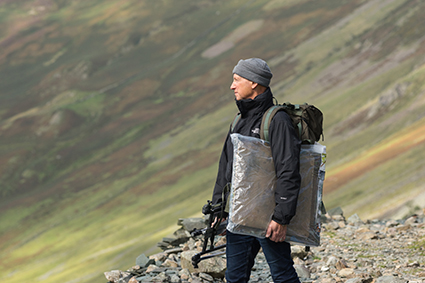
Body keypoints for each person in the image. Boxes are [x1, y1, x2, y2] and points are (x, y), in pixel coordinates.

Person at [211, 58, 301, 283]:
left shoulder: (277, 120)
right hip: (241, 215)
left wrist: (281, 218)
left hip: (268, 217)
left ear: (253, 83)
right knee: (234, 277)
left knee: (282, 275)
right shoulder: (239, 119)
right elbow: (227, 166)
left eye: (236, 80)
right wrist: (218, 207)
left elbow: (288, 170)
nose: (232, 86)